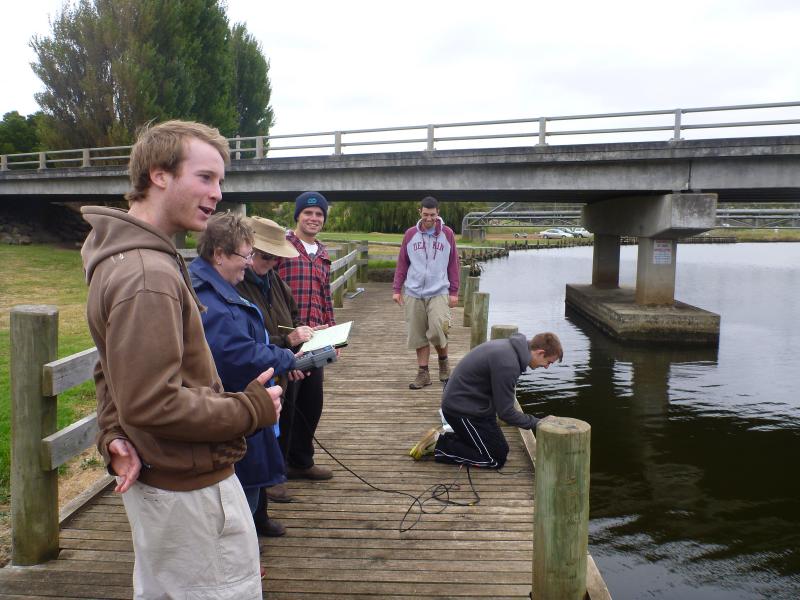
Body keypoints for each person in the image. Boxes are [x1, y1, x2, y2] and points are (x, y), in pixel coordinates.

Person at [81, 120, 281, 598]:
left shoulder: (124, 257)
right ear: (159, 174)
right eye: (206, 177)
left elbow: (111, 366)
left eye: (221, 181)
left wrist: (112, 433)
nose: (217, 194)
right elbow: (153, 403)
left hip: (163, 477)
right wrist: (252, 409)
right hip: (189, 490)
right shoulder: (148, 274)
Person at [189, 211, 304, 538]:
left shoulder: (218, 286)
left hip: (245, 407)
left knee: (247, 491)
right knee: (238, 501)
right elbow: (236, 354)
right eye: (246, 255)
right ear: (219, 255)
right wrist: (285, 357)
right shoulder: (210, 297)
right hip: (233, 411)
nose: (249, 262)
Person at [236, 215, 318, 503]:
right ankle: (268, 481)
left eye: (275, 258)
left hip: (282, 362)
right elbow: (245, 339)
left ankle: (283, 470)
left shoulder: (275, 281)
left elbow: (292, 316)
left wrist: (299, 339)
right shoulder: (237, 284)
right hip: (259, 369)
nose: (271, 263)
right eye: (266, 257)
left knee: (290, 415)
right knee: (263, 428)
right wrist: (288, 342)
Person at [408, 332, 563, 469]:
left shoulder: (510, 349)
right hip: (461, 411)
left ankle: (446, 439)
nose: (547, 367)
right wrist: (538, 423)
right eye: (549, 362)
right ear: (540, 352)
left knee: (501, 449)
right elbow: (506, 413)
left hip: (477, 406)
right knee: (494, 459)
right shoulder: (508, 364)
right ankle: (439, 446)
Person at [276, 191, 336, 480]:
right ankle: (277, 471)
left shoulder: (323, 254)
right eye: (308, 213)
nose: (314, 219)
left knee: (311, 405)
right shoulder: (282, 247)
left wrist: (334, 334)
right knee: (285, 408)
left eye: (319, 215)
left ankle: (302, 461)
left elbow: (327, 298)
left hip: (316, 342)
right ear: (298, 216)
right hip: (288, 340)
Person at [392, 196, 460, 389]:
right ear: (419, 212)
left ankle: (443, 362)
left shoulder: (447, 234)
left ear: (438, 213)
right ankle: (423, 374)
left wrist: (454, 291)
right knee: (418, 334)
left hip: (439, 290)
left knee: (439, 329)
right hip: (413, 292)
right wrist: (397, 289)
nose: (428, 218)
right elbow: (402, 263)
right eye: (425, 214)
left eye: (432, 214)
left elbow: (453, 264)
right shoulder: (410, 234)